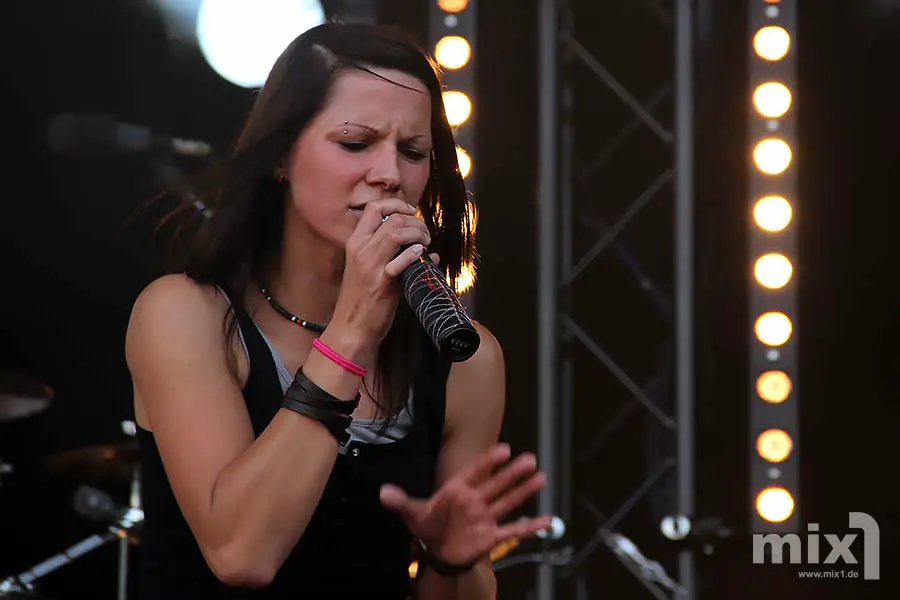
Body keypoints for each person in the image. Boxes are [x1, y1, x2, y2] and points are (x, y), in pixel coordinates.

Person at [125, 21, 551, 600]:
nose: (389, 175)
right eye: (354, 143)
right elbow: (241, 554)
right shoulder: (184, 315)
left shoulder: (465, 362)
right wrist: (353, 329)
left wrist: (451, 562)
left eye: (413, 152)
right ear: (280, 154)